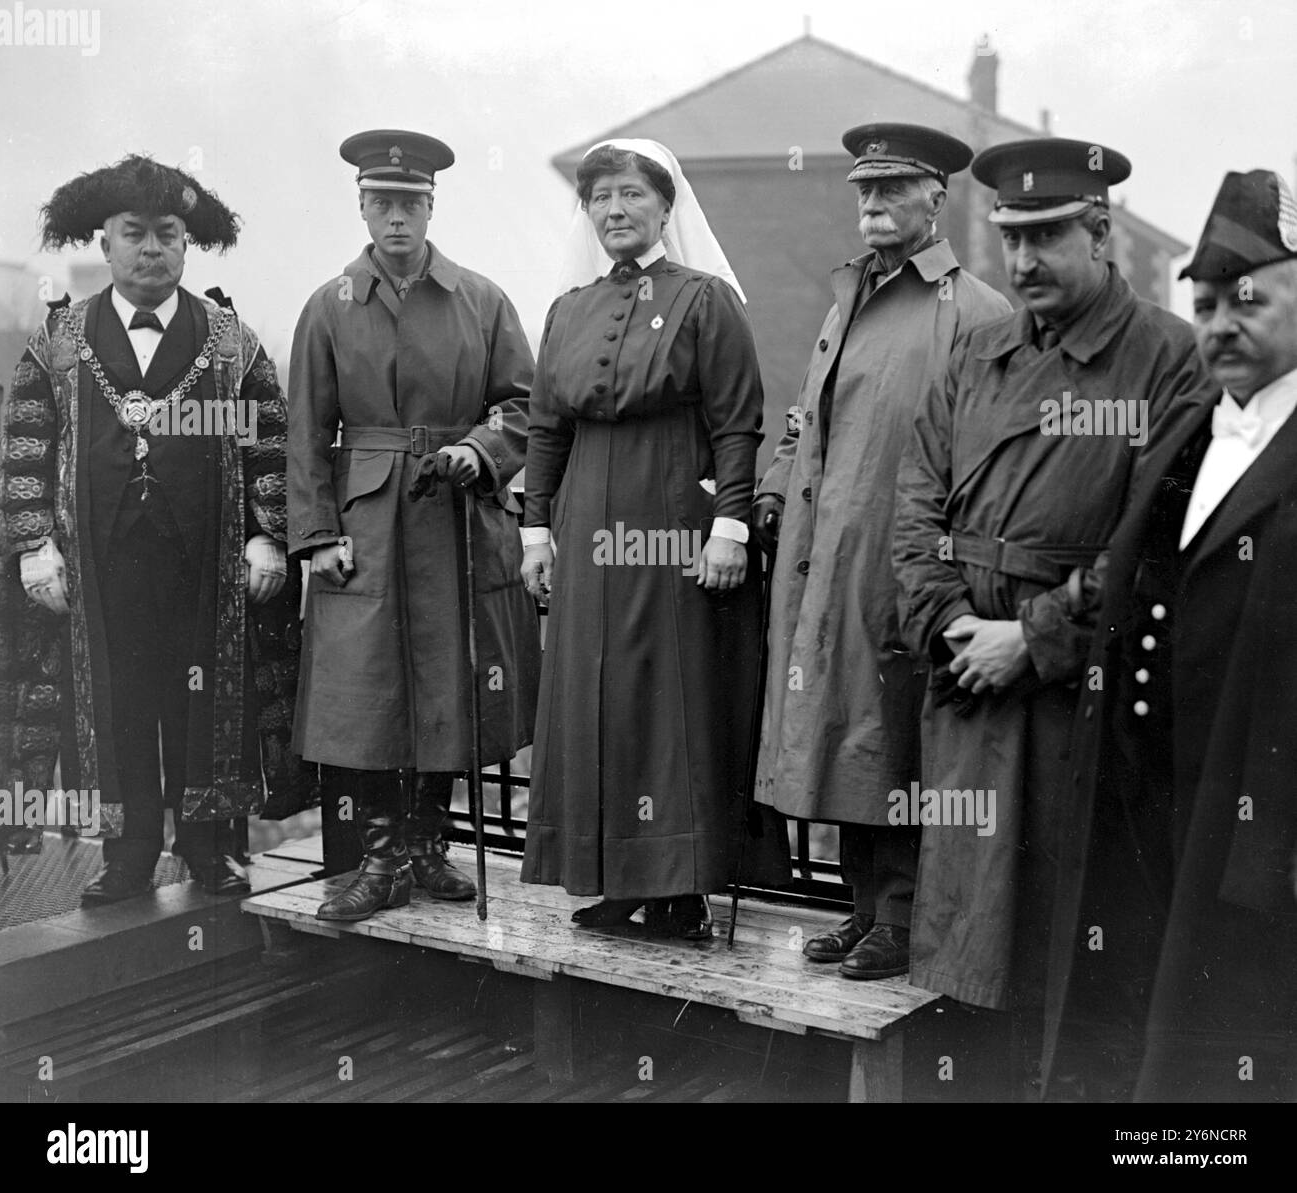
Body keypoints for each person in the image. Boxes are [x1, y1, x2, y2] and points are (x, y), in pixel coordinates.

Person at [891, 138, 1210, 1089]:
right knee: (968, 947)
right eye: (1009, 238)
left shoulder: (1164, 358)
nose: (1021, 262)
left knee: (1077, 947)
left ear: (1102, 233)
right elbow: (915, 506)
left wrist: (1030, 640)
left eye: (1045, 237)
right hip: (967, 685)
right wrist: (954, 627)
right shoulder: (976, 355)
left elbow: (1165, 540)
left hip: (1080, 698)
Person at [1044, 170, 1297, 1103]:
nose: (1222, 322)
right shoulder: (1188, 427)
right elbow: (1124, 575)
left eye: (1249, 299)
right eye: (1204, 304)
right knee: (1132, 1044)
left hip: (1249, 827)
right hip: (1142, 803)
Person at [0, 155, 308, 903]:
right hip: (99, 573)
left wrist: (267, 534)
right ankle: (129, 855)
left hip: (205, 568)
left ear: (186, 243)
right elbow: (25, 450)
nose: (150, 249)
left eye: (167, 234)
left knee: (209, 704)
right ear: (102, 244)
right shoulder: (60, 344)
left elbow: (268, 439)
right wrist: (37, 546)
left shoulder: (231, 342)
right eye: (132, 234)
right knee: (117, 704)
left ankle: (212, 849)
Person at [751, 123, 1010, 980]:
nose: (873, 203)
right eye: (864, 189)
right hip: (825, 555)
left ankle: (900, 918)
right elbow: (805, 421)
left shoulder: (974, 311)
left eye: (894, 188)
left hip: (905, 565)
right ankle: (863, 909)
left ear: (938, 198)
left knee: (893, 732)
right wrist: (775, 495)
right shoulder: (846, 300)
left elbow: (990, 454)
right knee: (843, 732)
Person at [520, 138, 788, 941]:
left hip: (674, 521)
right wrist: (537, 531)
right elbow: (544, 430)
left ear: (666, 209)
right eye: (599, 197)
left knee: (666, 697)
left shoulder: (707, 301)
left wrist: (731, 528)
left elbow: (738, 422)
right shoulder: (568, 309)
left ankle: (680, 885)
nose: (614, 211)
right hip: (585, 524)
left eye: (632, 195)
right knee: (594, 694)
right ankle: (612, 876)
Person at [289, 129, 540, 922]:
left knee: (450, 681)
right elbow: (305, 432)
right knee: (363, 689)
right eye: (382, 202)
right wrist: (318, 532)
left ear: (432, 207)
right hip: (365, 522)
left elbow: (527, 407)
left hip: (456, 513)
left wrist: (480, 448)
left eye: (411, 203)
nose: (397, 217)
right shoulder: (327, 307)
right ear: (362, 207)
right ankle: (380, 856)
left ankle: (429, 842)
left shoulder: (481, 299)